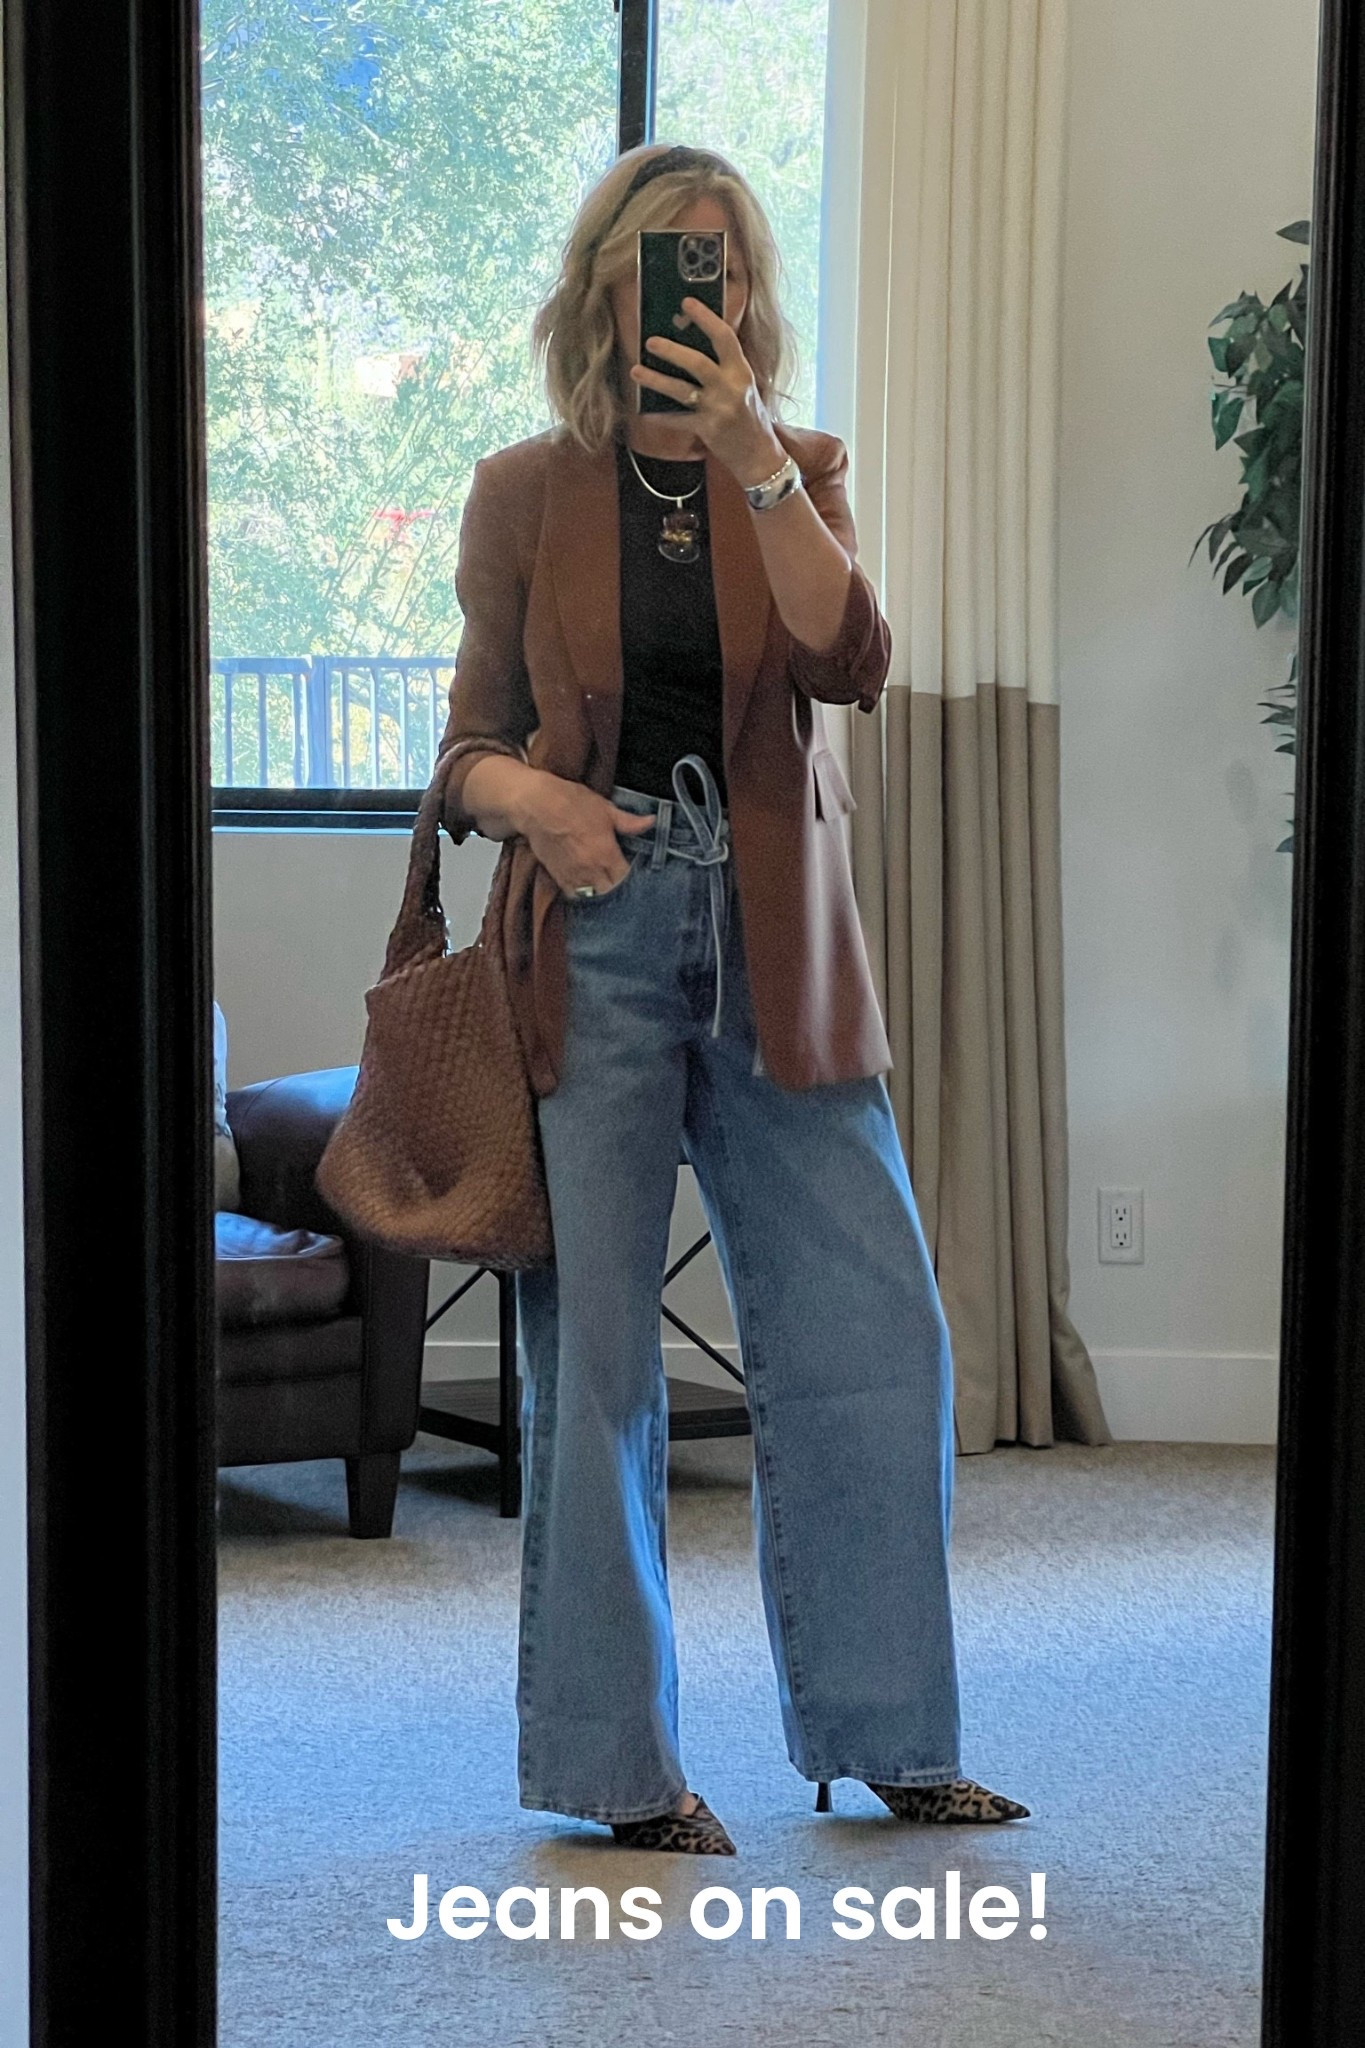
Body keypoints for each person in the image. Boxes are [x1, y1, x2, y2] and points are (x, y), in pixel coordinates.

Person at [435, 141, 1028, 1855]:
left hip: (780, 940)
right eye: (664, 262)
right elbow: (466, 748)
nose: (704, 291)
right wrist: (540, 805)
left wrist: (760, 457)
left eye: (727, 263)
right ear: (602, 288)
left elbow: (851, 661)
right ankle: (619, 1774)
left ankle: (892, 1737)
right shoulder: (522, 492)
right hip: (596, 927)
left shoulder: (803, 466)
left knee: (875, 1336)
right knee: (597, 1364)